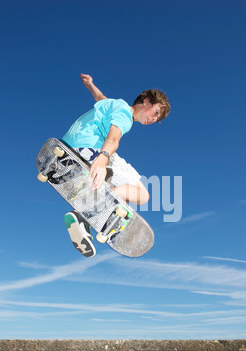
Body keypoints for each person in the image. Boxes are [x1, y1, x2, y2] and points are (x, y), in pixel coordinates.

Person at [62, 73, 171, 257]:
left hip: (69, 144)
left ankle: (97, 209)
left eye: (157, 120)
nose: (154, 120)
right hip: (90, 149)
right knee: (142, 195)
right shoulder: (126, 115)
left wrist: (90, 85)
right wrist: (103, 159)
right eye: (156, 113)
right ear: (146, 101)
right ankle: (86, 215)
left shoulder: (114, 104)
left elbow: (100, 98)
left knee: (120, 187)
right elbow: (113, 138)